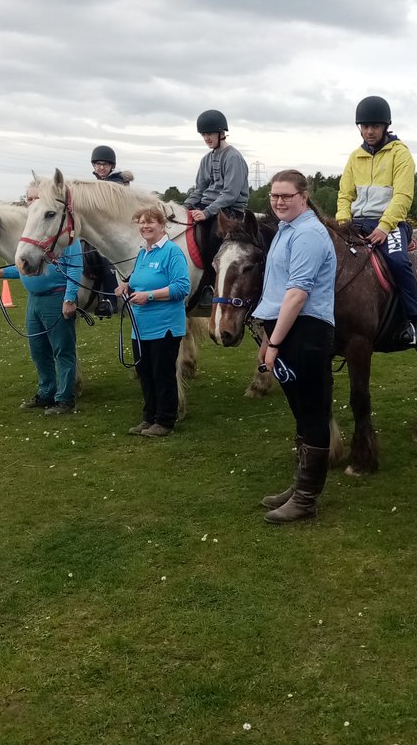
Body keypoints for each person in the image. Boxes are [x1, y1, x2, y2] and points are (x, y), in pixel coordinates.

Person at [254, 170, 337, 524]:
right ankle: (300, 486)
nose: (279, 201)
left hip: (306, 331)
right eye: (274, 196)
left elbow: (298, 293)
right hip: (287, 328)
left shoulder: (308, 234)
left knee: (314, 411)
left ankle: (306, 499)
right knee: (302, 413)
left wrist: (274, 342)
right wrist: (268, 337)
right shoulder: (286, 230)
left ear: (304, 196)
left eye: (286, 196)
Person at [0, 184, 81, 415]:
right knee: (38, 350)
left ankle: (65, 398)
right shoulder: (35, 232)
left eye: (36, 197)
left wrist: (69, 299)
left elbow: (75, 268)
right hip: (34, 300)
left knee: (62, 350)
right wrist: (1, 272)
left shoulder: (64, 236)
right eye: (28, 198)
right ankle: (47, 392)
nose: (31, 201)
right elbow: (27, 267)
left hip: (55, 298)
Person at [335, 95, 417, 346]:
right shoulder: (355, 157)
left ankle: (416, 323)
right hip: (356, 223)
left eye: (374, 126)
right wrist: (343, 222)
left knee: (398, 262)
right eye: (364, 126)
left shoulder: (400, 154)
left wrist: (385, 227)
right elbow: (345, 194)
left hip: (390, 223)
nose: (369, 131)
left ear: (385, 126)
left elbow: (403, 195)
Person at [115, 206, 190, 437]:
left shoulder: (172, 252)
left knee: (162, 373)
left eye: (151, 222)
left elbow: (182, 287)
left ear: (162, 225)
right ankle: (149, 418)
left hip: (164, 326)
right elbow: (140, 280)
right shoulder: (142, 253)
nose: (145, 226)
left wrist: (149, 296)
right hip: (140, 328)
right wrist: (128, 286)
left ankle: (165, 420)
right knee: (145, 373)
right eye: (141, 222)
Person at [184, 109, 251, 307]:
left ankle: (209, 287)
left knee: (212, 237)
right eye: (203, 134)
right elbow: (199, 190)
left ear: (221, 133)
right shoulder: (206, 159)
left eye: (209, 134)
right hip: (208, 205)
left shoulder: (233, 158)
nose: (206, 138)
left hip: (230, 210)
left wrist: (206, 213)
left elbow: (230, 194)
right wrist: (182, 208)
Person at [88, 145, 132, 316]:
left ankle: (110, 300)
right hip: (98, 229)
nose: (101, 167)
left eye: (104, 164)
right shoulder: (94, 184)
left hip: (117, 228)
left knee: (107, 260)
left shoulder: (118, 183)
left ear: (112, 166)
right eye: (98, 164)